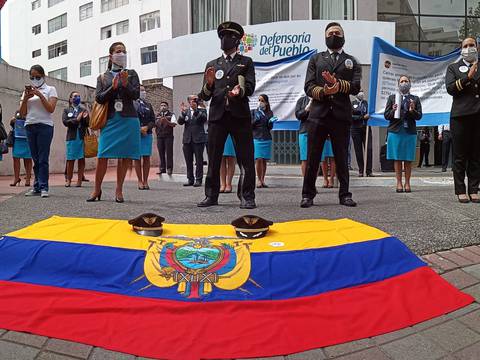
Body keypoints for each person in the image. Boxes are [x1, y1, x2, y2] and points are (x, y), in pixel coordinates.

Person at [300, 22, 361, 208]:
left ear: (343, 37)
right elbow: (308, 86)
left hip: (341, 115)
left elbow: (356, 86)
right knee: (312, 157)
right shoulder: (316, 59)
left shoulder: (352, 61)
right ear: (325, 37)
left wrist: (338, 85)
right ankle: (307, 194)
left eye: (337, 32)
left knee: (342, 157)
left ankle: (345, 194)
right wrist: (325, 91)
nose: (334, 35)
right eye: (330, 33)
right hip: (318, 114)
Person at [197, 21, 256, 209]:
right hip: (217, 117)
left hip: (239, 116)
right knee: (214, 158)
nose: (225, 39)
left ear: (237, 40)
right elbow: (204, 95)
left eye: (229, 36)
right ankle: (211, 196)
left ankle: (247, 196)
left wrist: (241, 91)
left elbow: (251, 87)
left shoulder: (246, 62)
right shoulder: (212, 65)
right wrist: (209, 84)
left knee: (245, 158)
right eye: (222, 36)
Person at [87, 42, 141, 203]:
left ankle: (119, 190)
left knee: (124, 156)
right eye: (118, 51)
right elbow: (99, 98)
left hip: (129, 119)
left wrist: (125, 85)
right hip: (110, 120)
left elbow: (135, 95)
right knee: (102, 154)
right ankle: (97, 189)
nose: (122, 54)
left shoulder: (131, 74)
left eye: (124, 51)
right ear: (110, 56)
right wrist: (113, 87)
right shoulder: (103, 77)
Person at [445, 37, 480, 203]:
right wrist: (468, 77)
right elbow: (450, 88)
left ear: (477, 47)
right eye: (465, 46)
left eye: (471, 45)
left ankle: (474, 189)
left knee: (476, 155)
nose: (469, 48)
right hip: (460, 116)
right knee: (459, 156)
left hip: (478, 116)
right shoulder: (453, 67)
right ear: (461, 50)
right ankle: (460, 190)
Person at [19, 65, 58, 198]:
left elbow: (51, 108)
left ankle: (44, 187)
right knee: (35, 158)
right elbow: (22, 113)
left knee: (43, 158)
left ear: (43, 76)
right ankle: (36, 186)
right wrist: (26, 98)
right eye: (32, 77)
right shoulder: (26, 92)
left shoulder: (50, 89)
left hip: (45, 126)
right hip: (30, 125)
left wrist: (40, 94)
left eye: (37, 77)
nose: (35, 79)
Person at [384, 75, 422, 193]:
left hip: (409, 131)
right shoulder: (392, 98)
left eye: (406, 81)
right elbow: (386, 115)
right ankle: (399, 182)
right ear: (398, 84)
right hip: (396, 131)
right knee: (398, 158)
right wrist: (393, 110)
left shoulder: (415, 99)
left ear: (410, 84)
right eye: (402, 81)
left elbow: (419, 116)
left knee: (408, 159)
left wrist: (412, 110)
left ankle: (408, 183)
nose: (404, 83)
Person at [177, 96, 207, 187]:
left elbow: (203, 119)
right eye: (193, 100)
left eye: (196, 99)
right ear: (189, 101)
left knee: (199, 160)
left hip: (198, 140)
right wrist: (182, 113)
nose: (194, 101)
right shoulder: (186, 111)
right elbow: (180, 122)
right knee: (188, 161)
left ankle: (198, 179)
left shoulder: (202, 110)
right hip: (187, 140)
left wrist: (196, 110)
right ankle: (190, 179)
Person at [62, 91, 89, 188]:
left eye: (78, 96)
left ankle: (79, 180)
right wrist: (76, 119)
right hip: (72, 137)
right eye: (75, 96)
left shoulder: (83, 109)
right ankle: (68, 180)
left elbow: (87, 124)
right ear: (70, 99)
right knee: (70, 159)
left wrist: (86, 118)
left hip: (81, 137)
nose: (77, 97)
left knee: (81, 159)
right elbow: (65, 122)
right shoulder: (66, 110)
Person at [133, 85, 155, 190]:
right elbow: (130, 118)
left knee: (146, 157)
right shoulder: (132, 104)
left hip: (147, 134)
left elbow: (153, 120)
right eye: (141, 90)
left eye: (144, 90)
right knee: (137, 158)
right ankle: (139, 180)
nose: (144, 92)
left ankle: (146, 181)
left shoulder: (148, 105)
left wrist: (146, 127)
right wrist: (139, 129)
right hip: (136, 134)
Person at [252, 94, 275, 188]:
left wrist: (271, 122)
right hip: (257, 137)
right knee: (258, 159)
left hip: (266, 137)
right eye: (259, 100)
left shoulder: (269, 112)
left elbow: (270, 127)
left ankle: (262, 180)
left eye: (262, 100)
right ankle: (258, 180)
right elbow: (250, 125)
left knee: (264, 160)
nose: (260, 102)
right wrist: (256, 118)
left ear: (266, 102)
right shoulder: (253, 112)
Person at [9, 107, 33, 187]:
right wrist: (12, 121)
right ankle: (16, 178)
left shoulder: (31, 110)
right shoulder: (18, 111)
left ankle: (28, 179)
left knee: (28, 159)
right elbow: (13, 124)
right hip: (17, 138)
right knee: (16, 158)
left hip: (27, 138)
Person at [351, 90, 373, 176]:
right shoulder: (352, 104)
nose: (361, 93)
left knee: (369, 149)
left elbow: (371, 113)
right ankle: (361, 170)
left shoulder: (367, 103)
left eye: (362, 91)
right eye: (359, 91)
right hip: (355, 129)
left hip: (366, 129)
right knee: (358, 150)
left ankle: (369, 171)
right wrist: (362, 117)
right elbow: (351, 116)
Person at [155, 101, 176, 175]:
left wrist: (166, 121)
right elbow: (155, 125)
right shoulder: (157, 115)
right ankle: (162, 168)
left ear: (167, 107)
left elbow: (174, 124)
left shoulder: (172, 115)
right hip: (159, 137)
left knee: (169, 153)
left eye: (164, 105)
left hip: (168, 137)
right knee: (161, 153)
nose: (163, 107)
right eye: (161, 105)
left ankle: (169, 168)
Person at [295, 94, 312, 177]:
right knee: (305, 158)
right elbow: (298, 115)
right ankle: (306, 182)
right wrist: (306, 109)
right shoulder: (301, 100)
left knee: (315, 159)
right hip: (304, 131)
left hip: (317, 132)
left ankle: (312, 183)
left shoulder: (320, 99)